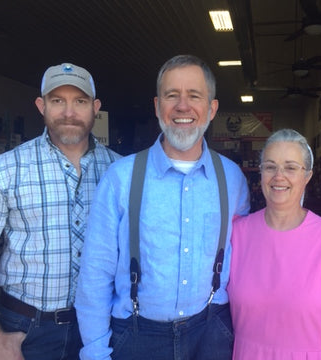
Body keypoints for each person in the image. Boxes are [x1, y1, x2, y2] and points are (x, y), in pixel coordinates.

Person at [75, 54, 250, 360]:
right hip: (137, 336)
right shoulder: (120, 178)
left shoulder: (233, 178)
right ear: (157, 106)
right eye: (172, 96)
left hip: (213, 332)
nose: (183, 106)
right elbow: (94, 275)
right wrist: (95, 352)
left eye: (194, 96)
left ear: (211, 109)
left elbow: (249, 260)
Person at [0, 63, 121, 360]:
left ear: (95, 108)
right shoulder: (3, 171)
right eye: (58, 100)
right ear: (41, 105)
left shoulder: (119, 171)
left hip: (102, 327)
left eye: (80, 101)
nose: (69, 112)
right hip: (26, 329)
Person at [227, 128, 321, 359]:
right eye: (270, 166)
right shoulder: (236, 235)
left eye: (290, 167)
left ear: (307, 176)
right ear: (261, 173)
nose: (279, 176)